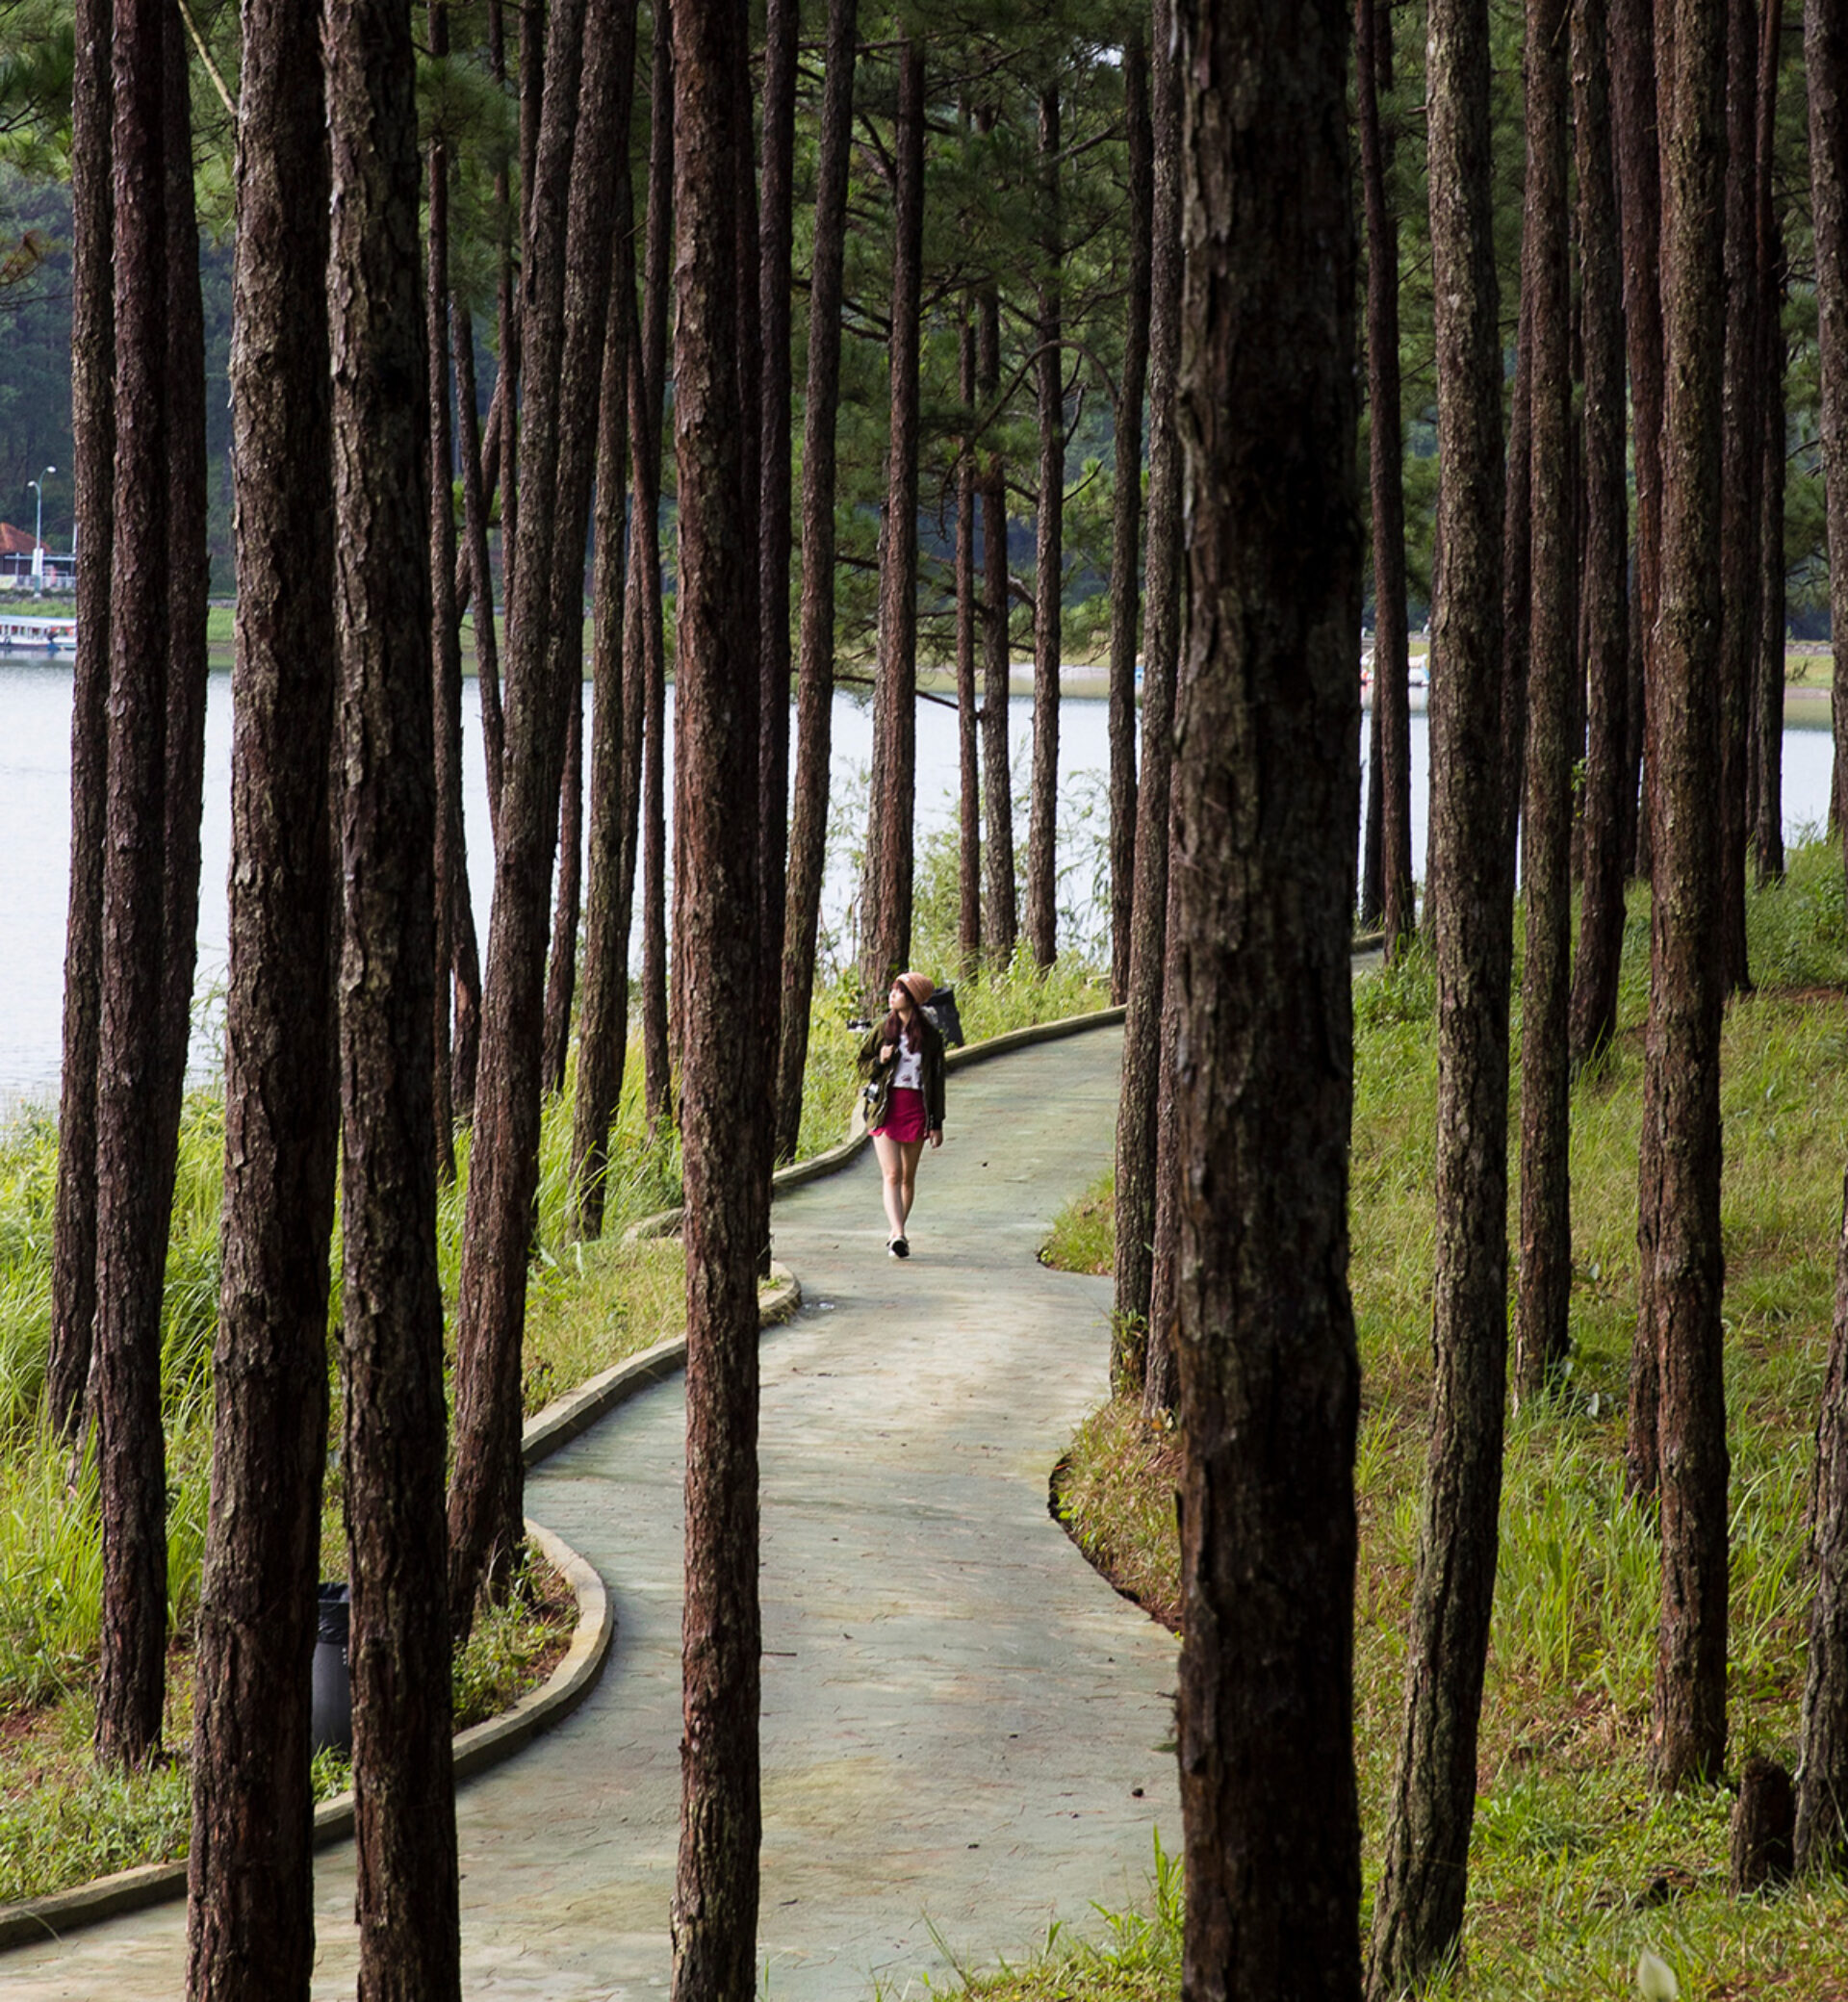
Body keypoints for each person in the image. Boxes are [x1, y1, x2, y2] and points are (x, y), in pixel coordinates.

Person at [858, 969, 946, 1258]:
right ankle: (898, 1233)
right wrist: (880, 1060)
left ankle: (897, 1232)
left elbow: (937, 1082)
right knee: (892, 1173)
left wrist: (937, 1123)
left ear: (913, 999)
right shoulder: (884, 1029)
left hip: (916, 1107)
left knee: (908, 1177)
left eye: (899, 991)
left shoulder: (931, 1037)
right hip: (886, 1106)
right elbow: (861, 1064)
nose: (892, 995)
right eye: (893, 991)